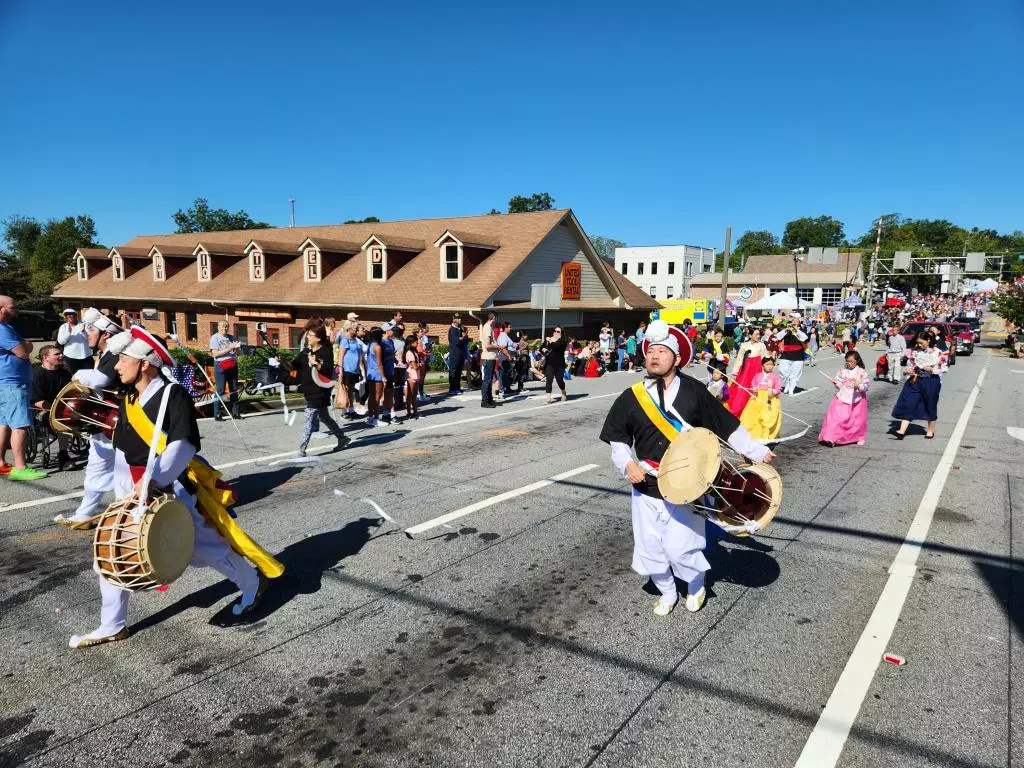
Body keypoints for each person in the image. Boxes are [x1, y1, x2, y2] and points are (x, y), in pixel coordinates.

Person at [68, 327, 283, 649]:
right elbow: (103, 387)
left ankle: (252, 583)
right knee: (114, 550)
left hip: (166, 484)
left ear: (144, 363)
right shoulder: (128, 394)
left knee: (205, 546)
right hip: (129, 483)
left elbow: (183, 444)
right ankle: (112, 624)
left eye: (123, 359)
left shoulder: (172, 394)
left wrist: (156, 479)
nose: (117, 366)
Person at [599, 320, 773, 616]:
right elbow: (617, 439)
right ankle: (667, 591)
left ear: (677, 359)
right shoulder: (633, 396)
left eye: (662, 351)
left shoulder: (694, 392)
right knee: (651, 548)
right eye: (650, 350)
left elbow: (724, 426)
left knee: (682, 548)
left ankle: (695, 585)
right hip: (646, 487)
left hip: (688, 486)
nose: (654, 356)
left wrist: (754, 450)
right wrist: (627, 463)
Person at [54, 310, 127, 527]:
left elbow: (102, 379)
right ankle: (85, 515)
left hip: (124, 422)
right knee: (97, 468)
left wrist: (78, 375)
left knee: (130, 471)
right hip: (106, 422)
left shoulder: (115, 353)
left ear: (106, 334)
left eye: (92, 329)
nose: (87, 333)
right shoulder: (104, 355)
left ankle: (129, 516)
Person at [0, 295, 47, 480]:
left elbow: (25, 347)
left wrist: (25, 346)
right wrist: (26, 346)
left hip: (6, 382)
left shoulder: (7, 328)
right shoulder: (2, 330)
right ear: (1, 309)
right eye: (13, 307)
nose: (16, 310)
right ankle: (20, 468)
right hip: (12, 383)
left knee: (3, 424)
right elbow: (22, 351)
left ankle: (2, 463)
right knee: (20, 425)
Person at [295, 325, 347, 456]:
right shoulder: (306, 352)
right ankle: (342, 438)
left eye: (310, 335)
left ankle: (302, 448)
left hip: (320, 390)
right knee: (324, 416)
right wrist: (280, 361)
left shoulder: (325, 351)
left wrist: (316, 363)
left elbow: (327, 370)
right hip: (309, 389)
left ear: (318, 338)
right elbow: (293, 366)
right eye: (307, 335)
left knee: (309, 415)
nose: (307, 337)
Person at [890, 331, 944, 440]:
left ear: (928, 340)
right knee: (909, 403)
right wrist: (907, 371)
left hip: (931, 381)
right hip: (915, 380)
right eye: (917, 343)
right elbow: (908, 366)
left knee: (930, 404)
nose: (919, 345)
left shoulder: (937, 352)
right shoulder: (914, 352)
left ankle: (930, 430)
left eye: (921, 343)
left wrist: (932, 369)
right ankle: (901, 431)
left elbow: (944, 367)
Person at [30, 345, 72, 469]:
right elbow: (38, 402)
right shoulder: (37, 375)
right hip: (42, 411)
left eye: (61, 353)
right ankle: (63, 456)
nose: (61, 356)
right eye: (57, 354)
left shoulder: (64, 373)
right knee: (63, 419)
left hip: (64, 408)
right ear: (45, 357)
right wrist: (59, 409)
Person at [819, 351, 870, 447]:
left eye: (852, 362)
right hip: (842, 397)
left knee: (856, 421)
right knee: (834, 418)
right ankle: (831, 438)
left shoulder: (862, 372)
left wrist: (858, 386)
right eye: (848, 361)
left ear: (857, 361)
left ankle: (859, 437)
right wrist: (835, 383)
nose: (849, 364)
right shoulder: (842, 371)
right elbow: (840, 385)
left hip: (857, 400)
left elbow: (866, 386)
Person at [739, 357, 782, 440]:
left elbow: (778, 388)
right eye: (767, 364)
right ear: (762, 366)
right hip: (757, 398)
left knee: (767, 417)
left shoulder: (775, 377)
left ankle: (766, 435)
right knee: (753, 415)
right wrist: (754, 389)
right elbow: (753, 384)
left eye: (771, 365)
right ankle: (753, 434)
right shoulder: (757, 375)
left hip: (770, 399)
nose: (770, 366)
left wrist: (772, 391)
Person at [728, 326, 766, 418]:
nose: (758, 336)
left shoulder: (762, 345)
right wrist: (735, 371)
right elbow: (739, 359)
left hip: (757, 372)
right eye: (756, 334)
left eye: (759, 334)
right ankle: (738, 411)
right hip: (745, 372)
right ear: (750, 335)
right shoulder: (744, 345)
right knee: (741, 391)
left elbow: (764, 360)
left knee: (755, 391)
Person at [209, 320, 242, 422]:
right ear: (218, 327)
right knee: (220, 390)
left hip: (232, 364)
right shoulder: (215, 338)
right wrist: (229, 348)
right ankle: (217, 414)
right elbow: (215, 354)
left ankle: (235, 413)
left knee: (234, 389)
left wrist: (237, 348)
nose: (224, 329)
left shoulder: (232, 337)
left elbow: (238, 354)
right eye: (222, 327)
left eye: (226, 327)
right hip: (220, 365)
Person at [336, 322, 364, 417]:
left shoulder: (356, 341)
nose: (356, 330)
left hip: (354, 370)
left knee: (351, 390)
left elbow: (359, 356)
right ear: (349, 329)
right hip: (346, 369)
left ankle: (351, 410)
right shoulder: (345, 341)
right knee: (346, 390)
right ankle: (344, 411)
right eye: (355, 328)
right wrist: (340, 372)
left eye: (357, 328)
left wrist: (361, 369)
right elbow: (341, 357)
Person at [58, 308, 94, 374]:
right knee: (72, 377)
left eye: (71, 314)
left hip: (86, 356)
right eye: (67, 315)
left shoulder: (84, 324)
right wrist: (68, 333)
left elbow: (91, 339)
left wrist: (84, 332)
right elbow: (61, 342)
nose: (69, 316)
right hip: (70, 357)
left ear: (76, 315)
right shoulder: (63, 327)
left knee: (88, 376)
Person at [775, 325, 807, 395]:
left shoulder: (800, 330)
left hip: (798, 355)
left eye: (796, 321)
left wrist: (796, 330)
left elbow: (805, 338)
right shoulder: (787, 331)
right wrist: (785, 330)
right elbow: (778, 336)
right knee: (782, 370)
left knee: (795, 373)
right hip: (786, 354)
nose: (793, 323)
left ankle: (791, 388)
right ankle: (787, 383)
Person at [365, 327, 386, 427]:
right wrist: (383, 377)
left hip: (370, 373)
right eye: (381, 334)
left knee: (371, 396)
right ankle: (376, 418)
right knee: (377, 397)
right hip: (377, 374)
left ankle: (370, 417)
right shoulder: (377, 347)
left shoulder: (370, 345)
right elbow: (379, 363)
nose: (382, 336)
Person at [542, 327, 568, 404]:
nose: (556, 332)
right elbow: (541, 348)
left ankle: (563, 391)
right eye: (555, 331)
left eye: (558, 331)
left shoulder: (563, 341)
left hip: (559, 364)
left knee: (559, 380)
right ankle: (548, 398)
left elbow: (555, 346)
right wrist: (543, 349)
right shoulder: (549, 339)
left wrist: (550, 340)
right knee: (549, 380)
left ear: (561, 333)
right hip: (550, 363)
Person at [480, 313, 500, 409]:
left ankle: (489, 399)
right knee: (487, 380)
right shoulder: (487, 327)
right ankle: (484, 401)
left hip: (491, 357)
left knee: (489, 379)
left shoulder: (489, 327)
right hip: (488, 357)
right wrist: (498, 346)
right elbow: (488, 345)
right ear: (494, 318)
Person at [403, 334, 421, 420]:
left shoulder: (414, 352)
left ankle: (415, 411)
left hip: (416, 376)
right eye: (416, 342)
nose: (417, 343)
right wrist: (420, 364)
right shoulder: (409, 353)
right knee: (410, 395)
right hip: (411, 376)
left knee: (414, 395)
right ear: (411, 343)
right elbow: (415, 366)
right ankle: (408, 412)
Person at [447, 315, 464, 394]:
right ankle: (452, 389)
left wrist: (462, 338)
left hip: (459, 352)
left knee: (458, 370)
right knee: (453, 370)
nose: (460, 319)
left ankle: (457, 387)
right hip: (454, 353)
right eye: (458, 318)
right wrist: (462, 338)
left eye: (460, 318)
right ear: (454, 320)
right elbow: (456, 341)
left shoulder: (459, 328)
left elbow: (462, 340)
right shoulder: (452, 329)